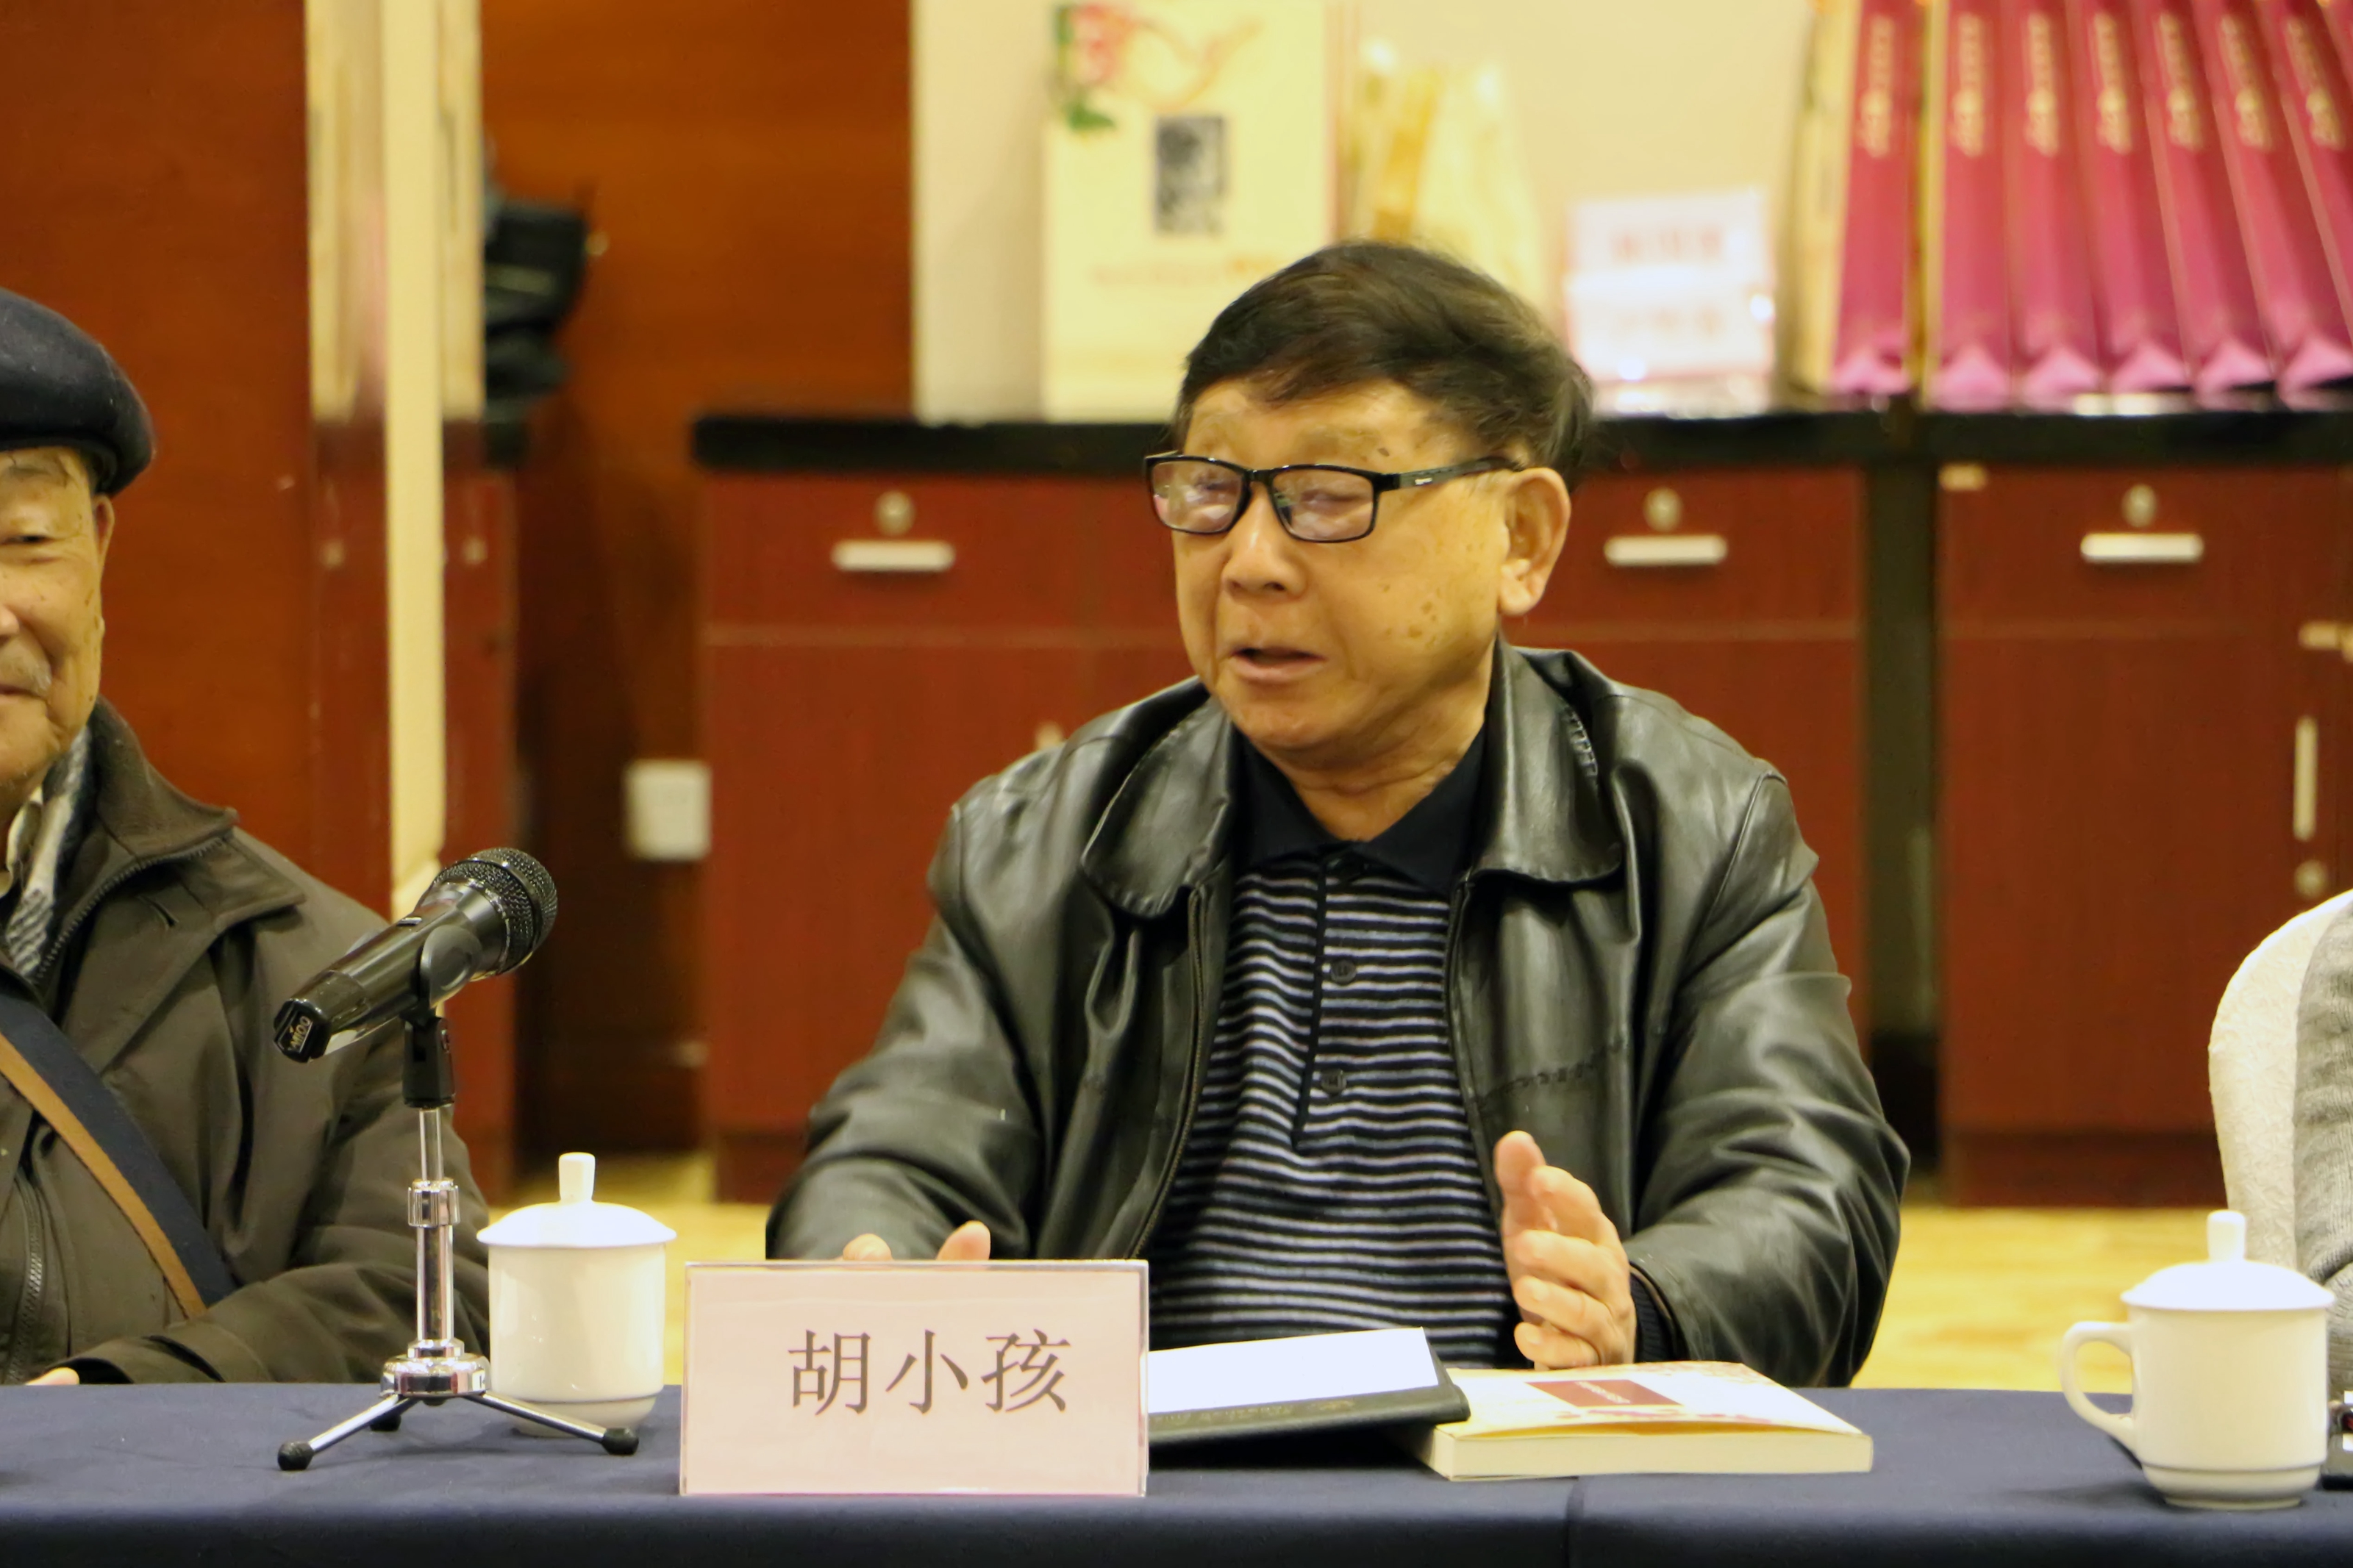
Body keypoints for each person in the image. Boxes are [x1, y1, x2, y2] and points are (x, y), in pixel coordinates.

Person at [769, 242, 1905, 1384]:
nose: (1249, 562)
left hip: (1509, 1466)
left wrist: (1641, 1307)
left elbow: (1808, 1190)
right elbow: (889, 1156)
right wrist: (873, 1272)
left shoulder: (1692, 827)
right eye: (1210, 492)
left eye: (1327, 497)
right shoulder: (1045, 839)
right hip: (1147, 1472)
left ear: (1521, 538)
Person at [0, 287, 489, 1384]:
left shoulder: (306, 969)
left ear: (99, 550)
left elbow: (424, 1289)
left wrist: (132, 1395)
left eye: (27, 542)